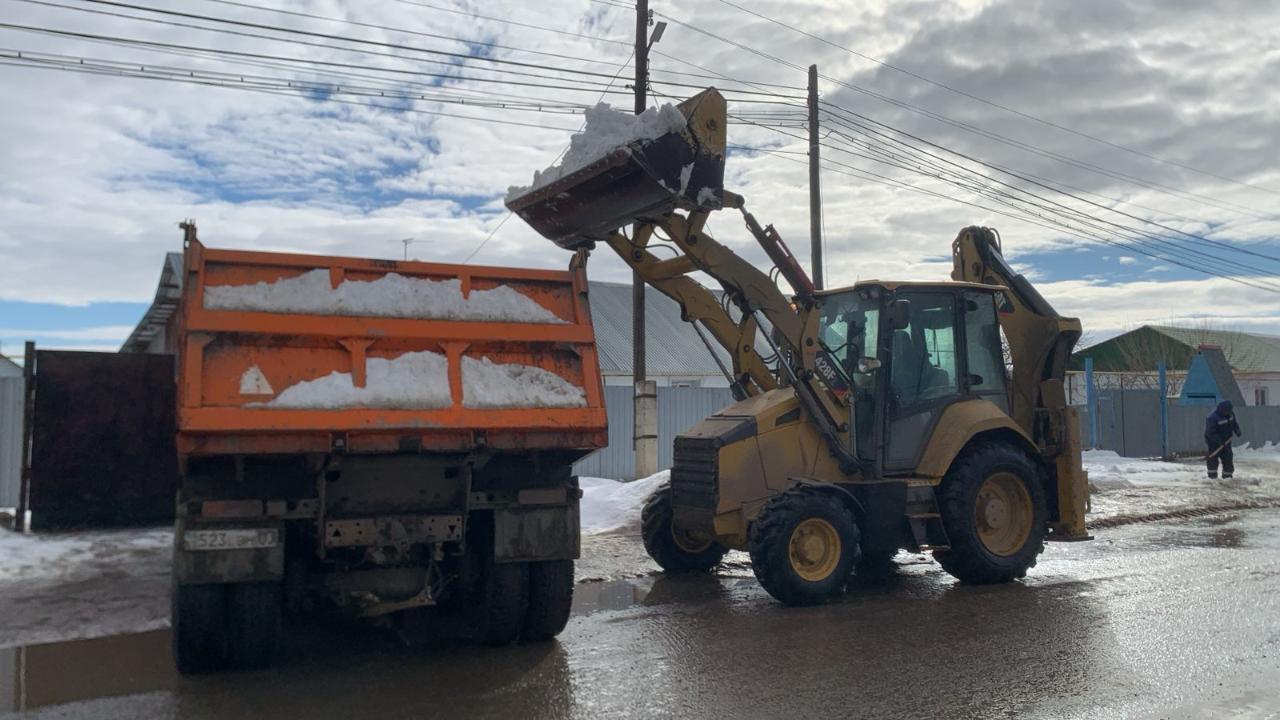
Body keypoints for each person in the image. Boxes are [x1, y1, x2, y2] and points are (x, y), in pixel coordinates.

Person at [1204, 400, 1243, 479]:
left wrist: (1237, 430)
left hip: (1227, 441)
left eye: (1230, 410)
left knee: (1228, 458)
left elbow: (1234, 423)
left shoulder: (1231, 414)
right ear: (1222, 410)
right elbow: (1210, 433)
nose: (1229, 412)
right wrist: (1220, 441)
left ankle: (1227, 477)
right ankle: (1212, 478)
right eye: (1227, 411)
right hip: (1214, 443)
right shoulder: (1212, 418)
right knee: (1213, 460)